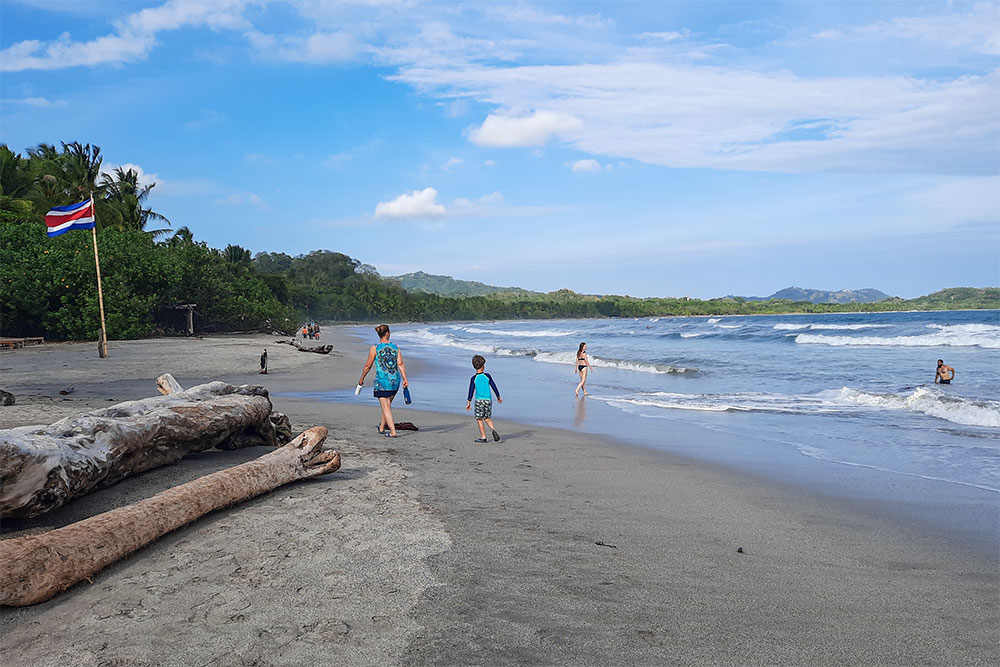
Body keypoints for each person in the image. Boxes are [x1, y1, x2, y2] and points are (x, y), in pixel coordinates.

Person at [359, 324, 408, 437]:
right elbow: (400, 364)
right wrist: (405, 378)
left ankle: (392, 432)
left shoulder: (375, 348)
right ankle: (382, 427)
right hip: (395, 380)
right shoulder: (395, 347)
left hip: (382, 381)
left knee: (385, 406)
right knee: (387, 405)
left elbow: (368, 365)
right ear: (387, 333)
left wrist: (362, 378)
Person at [466, 354, 502, 442]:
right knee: (487, 418)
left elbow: (471, 390)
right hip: (488, 400)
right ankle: (492, 429)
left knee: (479, 418)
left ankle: (483, 437)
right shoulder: (487, 376)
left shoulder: (473, 378)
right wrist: (498, 396)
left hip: (479, 401)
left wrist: (469, 401)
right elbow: (494, 386)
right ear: (483, 366)